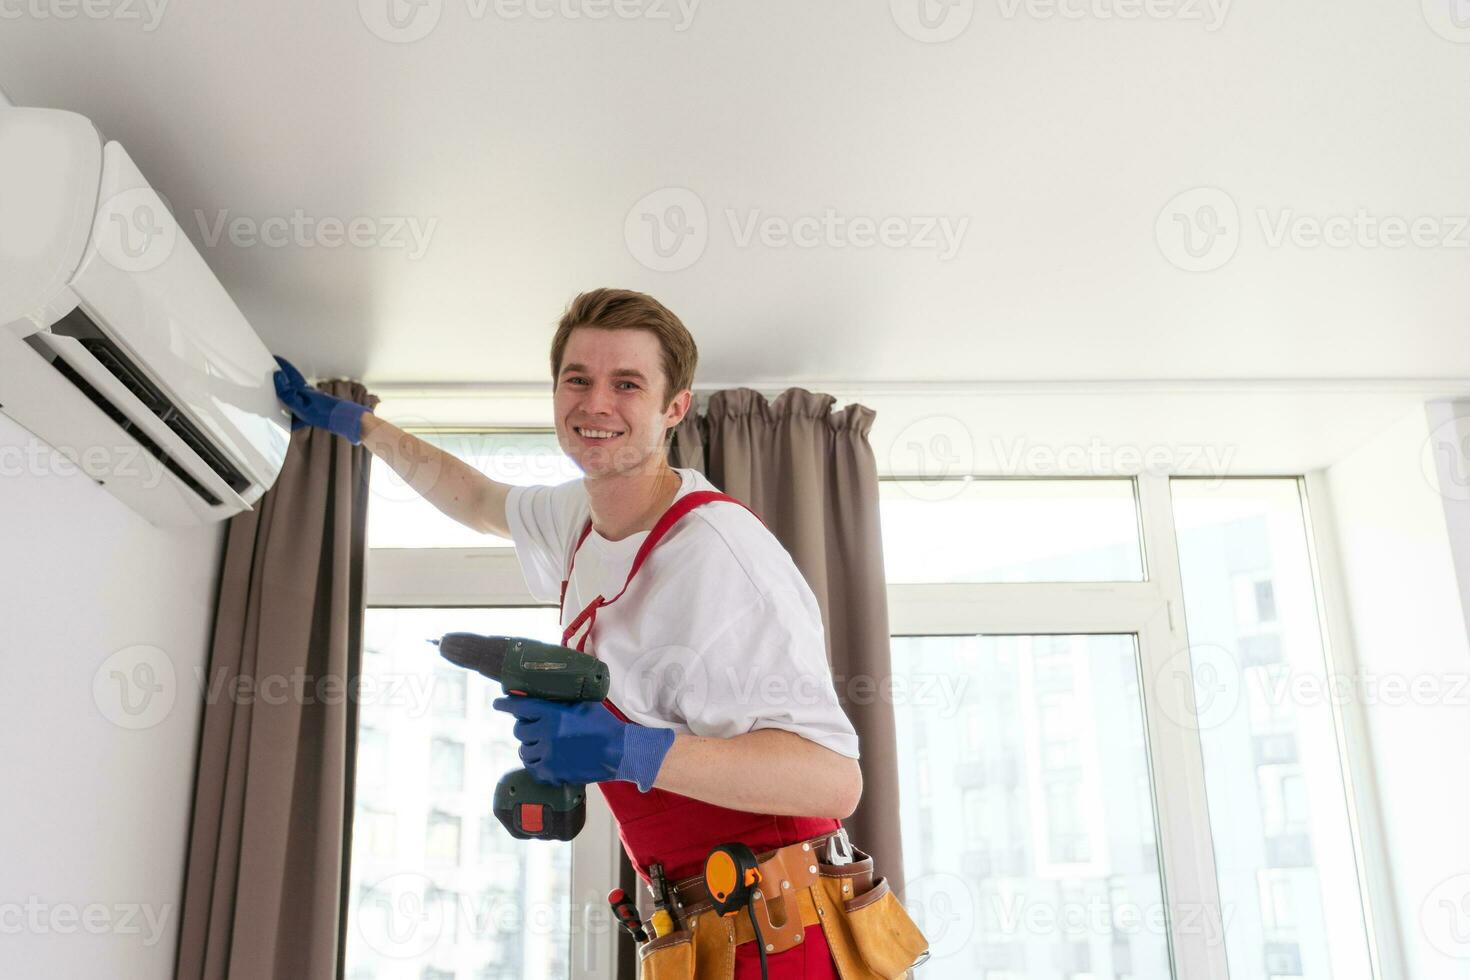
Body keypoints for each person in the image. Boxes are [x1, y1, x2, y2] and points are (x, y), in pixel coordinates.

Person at [275, 288, 883, 979]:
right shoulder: (579, 518)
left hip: (782, 934)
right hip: (697, 930)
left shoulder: (719, 554)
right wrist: (365, 430)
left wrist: (628, 748)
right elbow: (477, 501)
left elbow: (833, 782)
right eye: (577, 380)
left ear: (674, 408)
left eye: (627, 384)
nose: (595, 405)